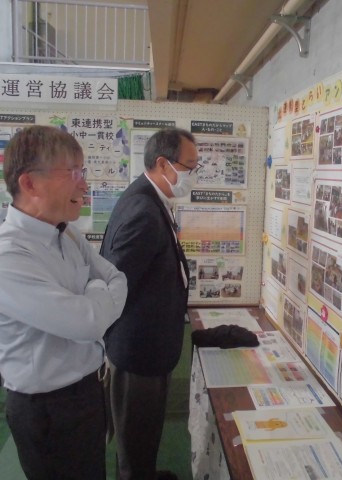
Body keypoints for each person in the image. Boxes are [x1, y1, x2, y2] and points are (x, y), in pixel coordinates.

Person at [0, 125, 127, 480]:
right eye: (73, 173)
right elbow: (88, 322)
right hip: (47, 410)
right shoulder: (6, 257)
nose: (84, 185)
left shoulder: (67, 233)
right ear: (30, 183)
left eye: (82, 172)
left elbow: (119, 279)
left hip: (88, 391)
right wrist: (96, 290)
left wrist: (94, 293)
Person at [100, 127, 198, 480]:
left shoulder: (151, 197)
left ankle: (145, 473)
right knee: (136, 436)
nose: (193, 175)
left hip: (149, 345)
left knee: (145, 432)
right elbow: (117, 284)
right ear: (163, 164)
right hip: (138, 351)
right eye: (189, 167)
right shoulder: (143, 209)